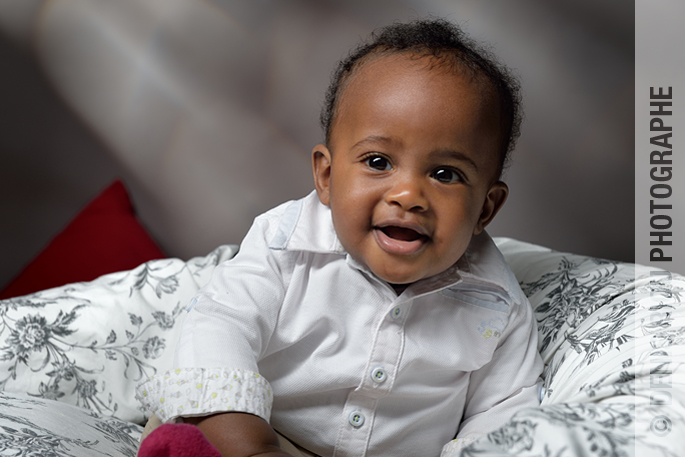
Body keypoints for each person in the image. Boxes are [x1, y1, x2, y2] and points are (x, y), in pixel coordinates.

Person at [136, 18, 543, 457]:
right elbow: (219, 327)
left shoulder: (497, 304)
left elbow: (505, 410)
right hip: (259, 433)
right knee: (194, 422)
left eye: (445, 174)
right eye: (378, 161)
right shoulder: (285, 245)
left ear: (485, 207)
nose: (408, 195)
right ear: (327, 176)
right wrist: (250, 445)